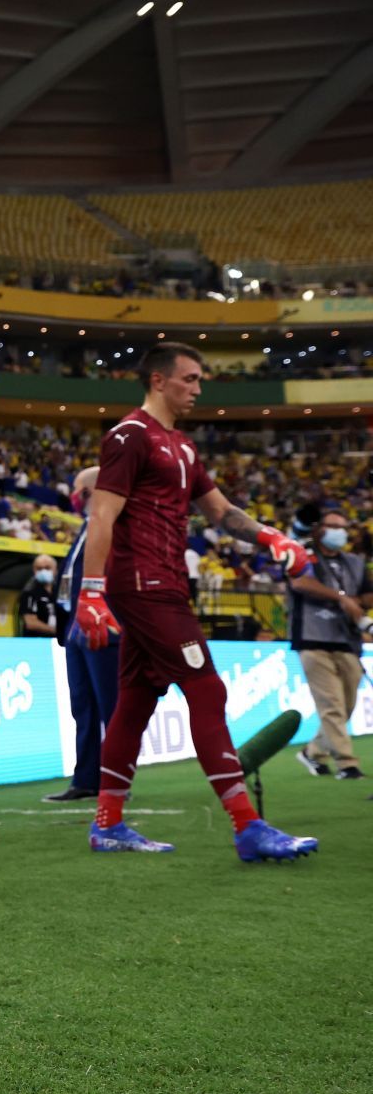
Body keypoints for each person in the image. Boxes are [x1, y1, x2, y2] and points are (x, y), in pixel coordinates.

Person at [76, 343, 318, 860]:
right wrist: (91, 592)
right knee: (206, 691)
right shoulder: (129, 436)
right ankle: (248, 827)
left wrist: (273, 538)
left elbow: (221, 512)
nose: (198, 388)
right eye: (189, 379)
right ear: (158, 381)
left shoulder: (181, 446)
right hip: (144, 587)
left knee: (135, 704)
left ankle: (107, 824)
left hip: (165, 585)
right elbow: (102, 517)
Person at [44, 467, 117, 804]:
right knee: (83, 706)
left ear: (91, 492)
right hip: (75, 628)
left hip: (101, 627)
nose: (72, 496)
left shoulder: (110, 527)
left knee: (110, 707)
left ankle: (117, 781)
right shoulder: (88, 528)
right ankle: (86, 778)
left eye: (77, 489)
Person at [288, 510, 369, 780]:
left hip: (347, 640)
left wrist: (357, 603)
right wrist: (341, 598)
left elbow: (368, 591)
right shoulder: (303, 556)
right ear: (319, 529)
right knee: (331, 704)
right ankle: (347, 764)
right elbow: (299, 582)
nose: (340, 532)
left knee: (346, 705)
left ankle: (312, 752)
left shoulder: (355, 562)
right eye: (334, 526)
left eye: (344, 527)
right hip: (312, 638)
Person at [19, 554, 58, 637]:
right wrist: (58, 631)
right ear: (34, 570)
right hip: (37, 642)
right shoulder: (29, 592)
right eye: (39, 568)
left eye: (47, 568)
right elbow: (31, 623)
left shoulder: (59, 591)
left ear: (55, 570)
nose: (43, 571)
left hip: (56, 643)